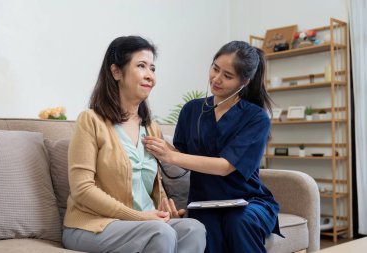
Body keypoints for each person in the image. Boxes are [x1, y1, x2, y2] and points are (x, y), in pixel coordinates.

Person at [62, 36, 206, 253]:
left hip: (144, 224)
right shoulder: (91, 120)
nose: (150, 75)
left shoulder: (151, 128)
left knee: (193, 229)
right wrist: (140, 217)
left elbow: (148, 185)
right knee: (160, 232)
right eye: (141, 66)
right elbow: (82, 189)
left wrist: (164, 209)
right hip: (93, 225)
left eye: (153, 68)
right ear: (116, 72)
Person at [143, 41, 282, 253]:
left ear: (243, 82)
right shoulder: (191, 110)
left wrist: (171, 157)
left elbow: (226, 166)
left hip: (248, 202)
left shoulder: (256, 117)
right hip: (204, 203)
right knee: (205, 231)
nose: (216, 79)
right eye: (215, 68)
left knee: (239, 223)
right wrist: (163, 150)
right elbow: (182, 158)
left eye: (227, 76)